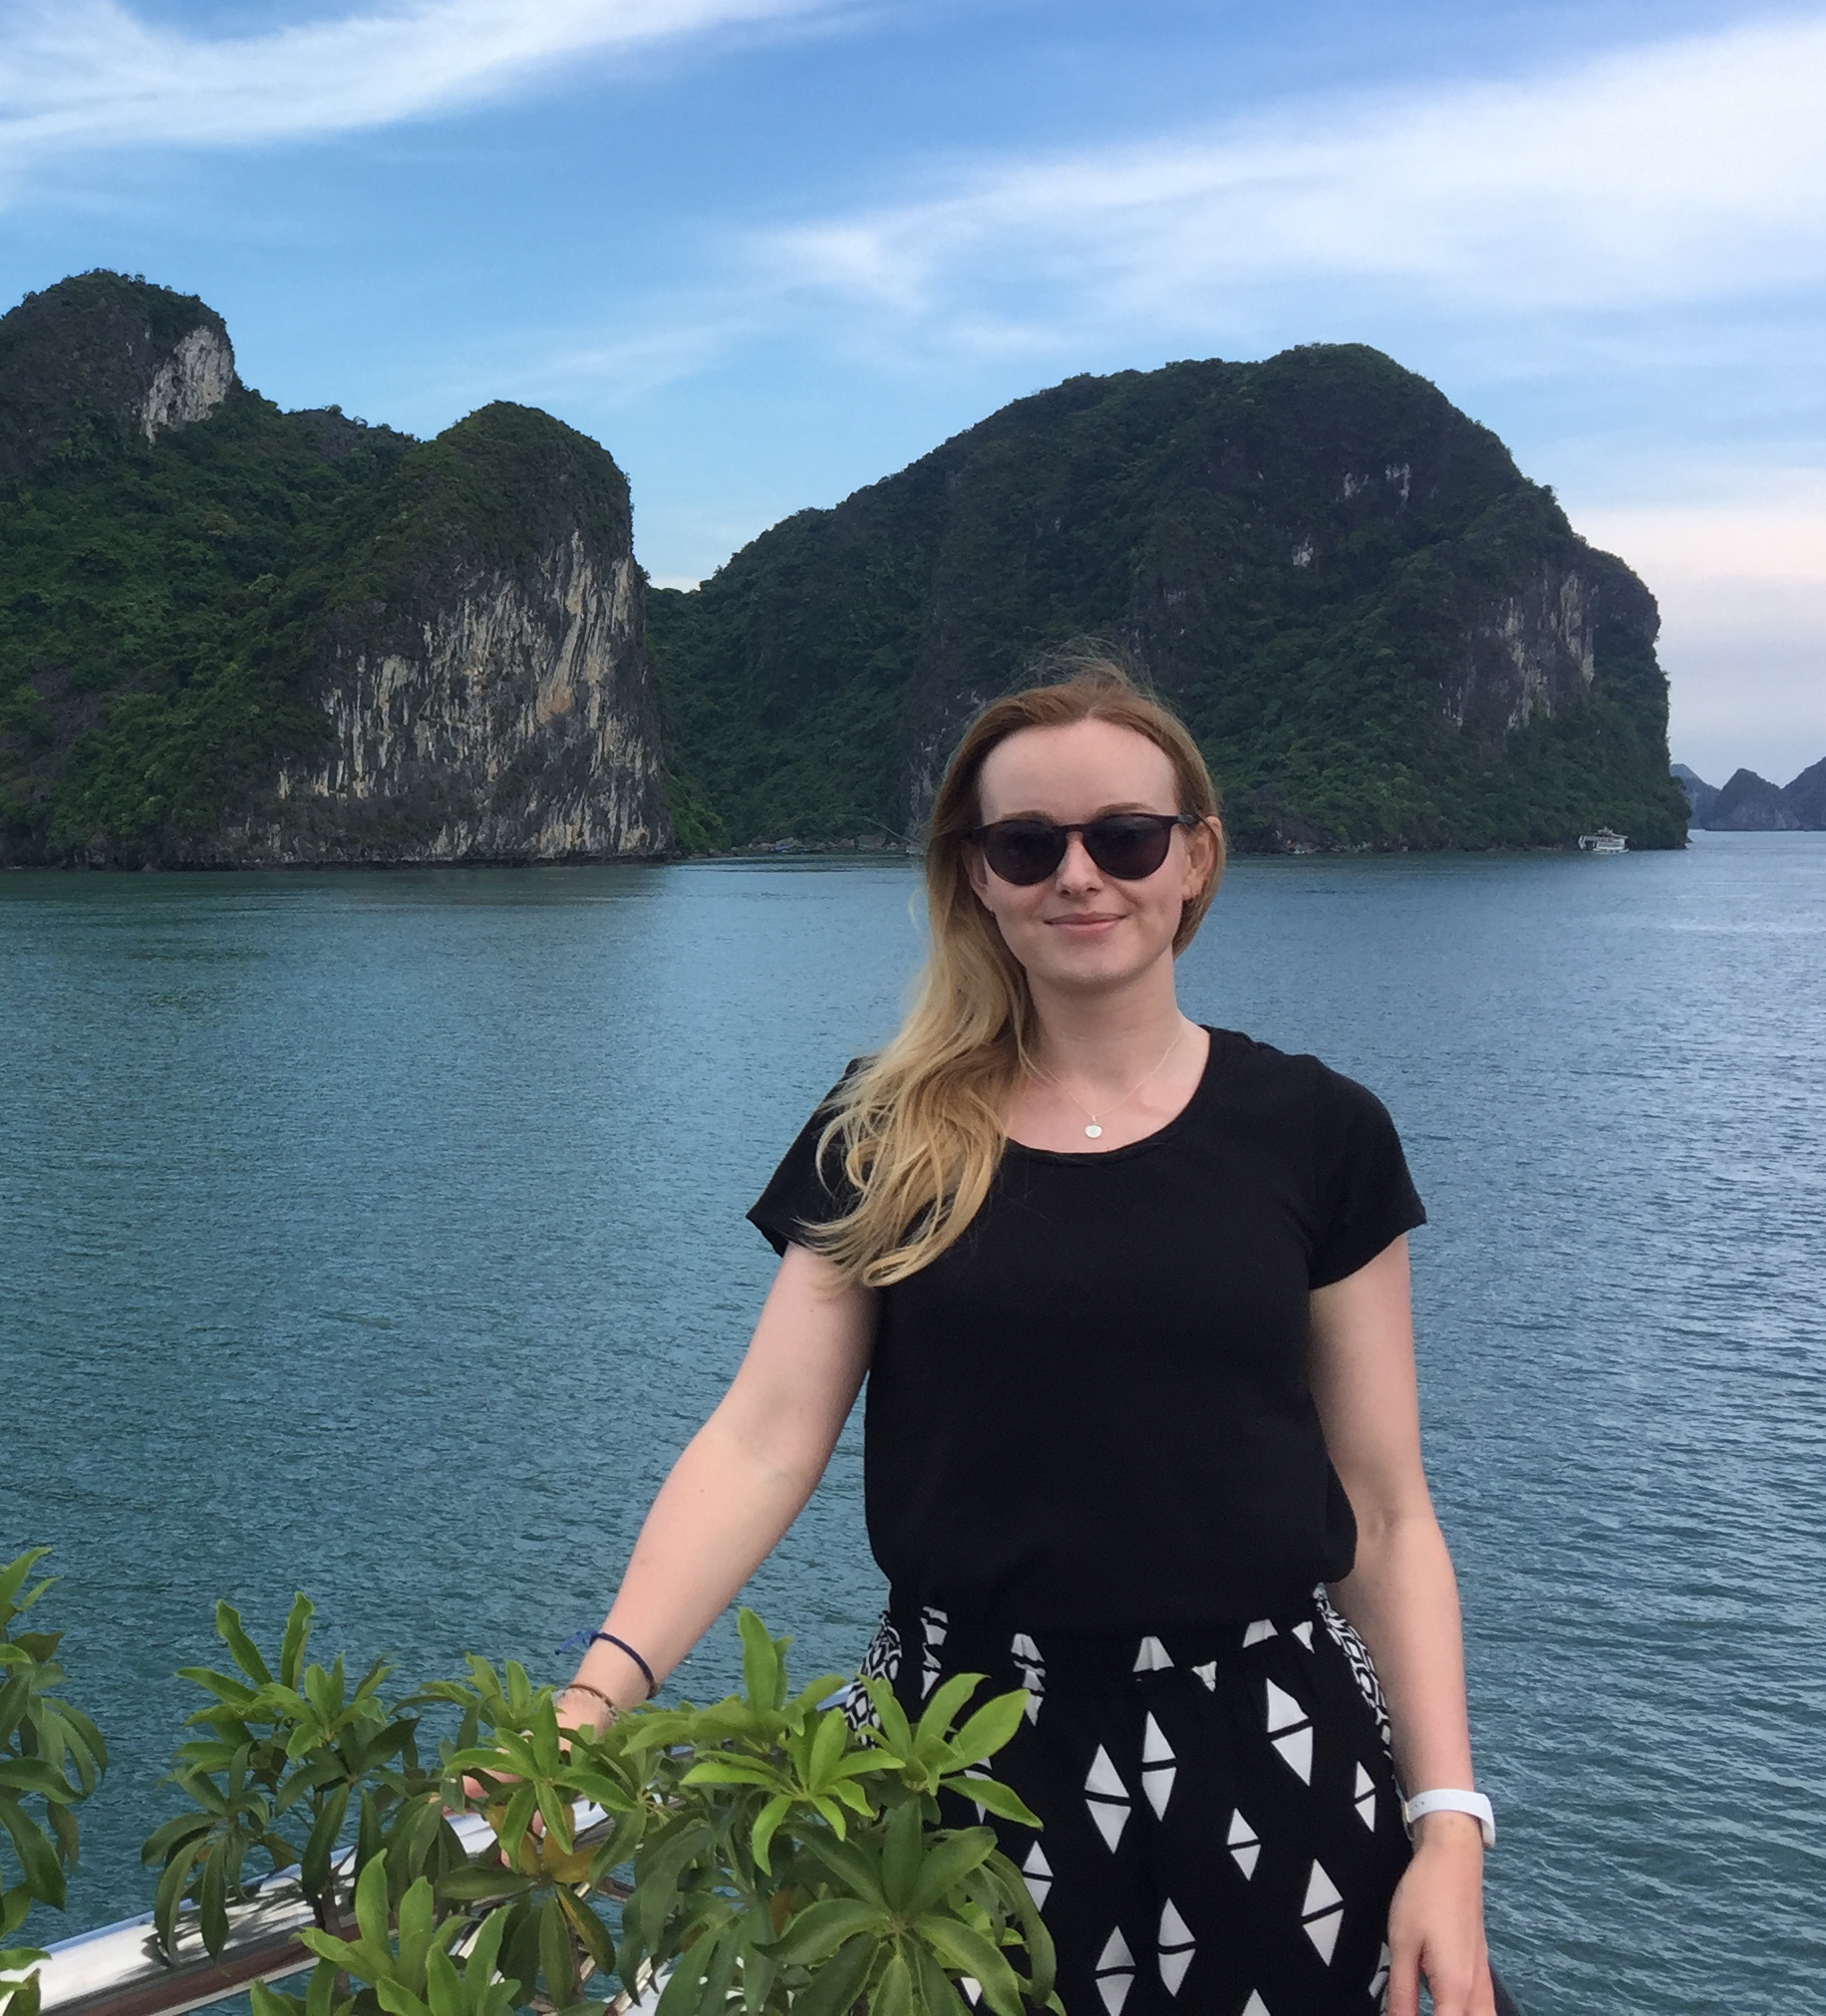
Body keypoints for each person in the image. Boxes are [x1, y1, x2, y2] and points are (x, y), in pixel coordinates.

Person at [559, 665, 1495, 2016]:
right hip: (948, 1761)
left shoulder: (1317, 1131)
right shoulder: (885, 1133)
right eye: (1027, 845)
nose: (1080, 875)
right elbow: (762, 1443)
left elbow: (1387, 1510)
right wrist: (594, 1699)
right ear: (976, 878)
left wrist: (1448, 1825)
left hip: (1272, 1749)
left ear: (1196, 859)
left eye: (1127, 837)